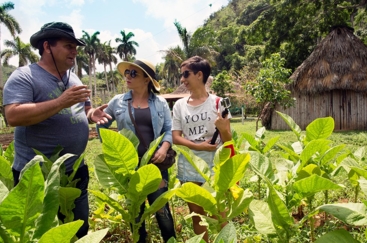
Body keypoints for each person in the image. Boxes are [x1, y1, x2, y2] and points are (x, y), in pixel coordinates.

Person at [2, 22, 111, 238]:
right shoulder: (25, 76)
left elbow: (85, 109)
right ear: (47, 47)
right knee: (44, 234)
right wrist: (61, 102)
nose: (74, 51)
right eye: (68, 45)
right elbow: (13, 116)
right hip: (38, 174)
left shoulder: (74, 78)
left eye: (76, 47)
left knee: (78, 227)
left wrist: (92, 115)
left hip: (74, 169)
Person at [97, 59, 176, 243]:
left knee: (162, 212)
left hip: (155, 166)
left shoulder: (160, 103)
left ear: (147, 79)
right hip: (129, 167)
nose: (128, 77)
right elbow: (102, 124)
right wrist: (111, 148)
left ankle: (170, 240)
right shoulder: (117, 102)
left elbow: (169, 129)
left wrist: (164, 148)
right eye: (127, 73)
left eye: (134, 73)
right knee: (136, 215)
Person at [172, 56, 232, 241]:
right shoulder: (179, 105)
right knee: (196, 212)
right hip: (190, 165)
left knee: (218, 211)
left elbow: (228, 139)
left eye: (186, 74)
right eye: (181, 75)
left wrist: (223, 129)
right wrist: (199, 146)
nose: (182, 79)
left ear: (199, 75)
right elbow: (176, 138)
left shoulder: (218, 103)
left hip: (215, 164)